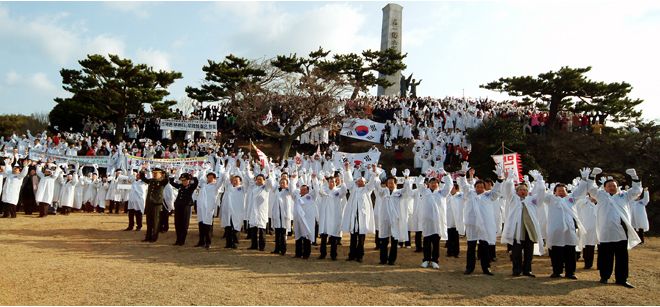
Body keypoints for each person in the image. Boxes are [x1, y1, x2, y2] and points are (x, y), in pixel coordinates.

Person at [587, 167, 642, 288]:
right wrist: (593, 175)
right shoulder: (600, 195)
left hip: (621, 231)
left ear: (618, 187)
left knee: (622, 256)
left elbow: (637, 191)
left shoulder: (624, 196)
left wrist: (635, 177)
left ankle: (622, 279)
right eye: (609, 186)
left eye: (614, 186)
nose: (612, 187)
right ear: (605, 188)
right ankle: (604, 277)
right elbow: (591, 188)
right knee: (606, 255)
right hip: (605, 230)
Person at [542, 168, 590, 280]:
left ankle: (570, 272)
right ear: (554, 192)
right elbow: (541, 193)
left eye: (563, 190)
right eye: (559, 190)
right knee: (557, 252)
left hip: (569, 230)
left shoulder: (571, 199)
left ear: (567, 192)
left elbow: (580, 191)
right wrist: (539, 182)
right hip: (556, 230)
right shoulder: (551, 199)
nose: (561, 192)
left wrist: (584, 179)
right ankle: (557, 271)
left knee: (570, 252)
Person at [458, 161, 503, 275]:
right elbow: (463, 186)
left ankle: (486, 267)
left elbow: (497, 191)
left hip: (484, 224)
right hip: (472, 223)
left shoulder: (488, 196)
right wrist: (463, 174)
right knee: (471, 246)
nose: (479, 188)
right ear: (475, 187)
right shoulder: (470, 194)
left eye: (481, 187)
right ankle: (470, 267)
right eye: (477, 186)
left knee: (484, 246)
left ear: (484, 188)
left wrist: (499, 178)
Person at [500, 170, 546, 277]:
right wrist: (510, 180)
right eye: (520, 190)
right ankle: (516, 270)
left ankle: (527, 270)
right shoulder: (513, 199)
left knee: (529, 252)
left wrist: (539, 181)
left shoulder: (532, 200)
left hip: (529, 229)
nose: (523, 192)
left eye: (525, 190)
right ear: (517, 192)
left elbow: (541, 194)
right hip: (517, 230)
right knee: (517, 252)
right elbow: (507, 190)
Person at [372, 168, 414, 266]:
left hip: (396, 219)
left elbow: (407, 191)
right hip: (385, 218)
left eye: (392, 183)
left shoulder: (399, 193)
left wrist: (407, 179)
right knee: (384, 240)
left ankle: (392, 259)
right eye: (389, 183)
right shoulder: (384, 192)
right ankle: (383, 259)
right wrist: (377, 176)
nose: (390, 184)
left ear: (396, 184)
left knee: (394, 240)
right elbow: (377, 187)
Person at [341, 162, 378, 263]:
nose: (360, 182)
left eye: (362, 181)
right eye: (359, 181)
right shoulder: (353, 188)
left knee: (361, 238)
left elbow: (372, 182)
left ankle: (360, 255)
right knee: (353, 236)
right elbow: (348, 181)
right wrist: (347, 169)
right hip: (354, 215)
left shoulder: (367, 189)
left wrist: (374, 171)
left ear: (365, 183)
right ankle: (351, 255)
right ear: (356, 182)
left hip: (362, 216)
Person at [420, 171, 453, 269]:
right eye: (431, 183)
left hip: (437, 221)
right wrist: (423, 175)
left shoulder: (442, 193)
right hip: (427, 220)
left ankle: (435, 260)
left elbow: (450, 185)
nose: (433, 184)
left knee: (436, 242)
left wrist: (446, 175)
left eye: (435, 183)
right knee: (426, 241)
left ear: (438, 185)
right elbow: (418, 183)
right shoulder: (425, 192)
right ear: (429, 184)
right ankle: (426, 260)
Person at [317, 170, 347, 260]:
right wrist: (320, 181)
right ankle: (323, 254)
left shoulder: (338, 191)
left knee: (333, 237)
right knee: (324, 236)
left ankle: (333, 254)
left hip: (334, 217)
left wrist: (343, 180)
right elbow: (320, 191)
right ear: (328, 182)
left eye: (333, 182)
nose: (331, 183)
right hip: (325, 217)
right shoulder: (325, 191)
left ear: (336, 182)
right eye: (330, 182)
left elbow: (344, 191)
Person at [141, 165, 169, 243]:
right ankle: (148, 236)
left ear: (160, 174)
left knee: (156, 221)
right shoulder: (151, 181)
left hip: (157, 203)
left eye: (156, 173)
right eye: (154, 173)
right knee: (149, 220)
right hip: (150, 202)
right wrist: (143, 170)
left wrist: (166, 172)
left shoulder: (162, 182)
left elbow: (167, 180)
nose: (155, 174)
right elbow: (143, 178)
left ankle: (154, 237)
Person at [169, 172, 199, 246]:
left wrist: (193, 175)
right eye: (182, 180)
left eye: (185, 180)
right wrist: (172, 174)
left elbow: (196, 183)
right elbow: (172, 182)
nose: (183, 182)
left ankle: (182, 240)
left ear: (189, 180)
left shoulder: (191, 186)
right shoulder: (180, 186)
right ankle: (178, 239)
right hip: (178, 205)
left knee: (184, 223)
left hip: (186, 206)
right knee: (177, 223)